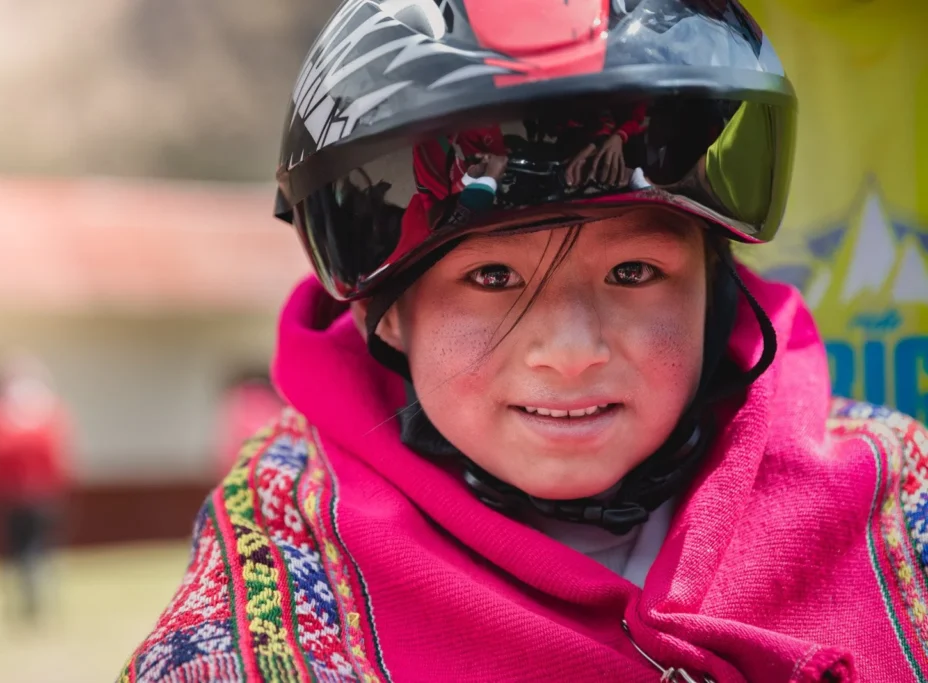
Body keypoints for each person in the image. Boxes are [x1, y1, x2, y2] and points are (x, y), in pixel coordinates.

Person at [119, 1, 928, 681]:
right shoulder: (286, 540)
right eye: (494, 278)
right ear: (385, 311)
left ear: (716, 287)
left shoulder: (892, 489)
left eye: (636, 271)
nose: (570, 350)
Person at [0, 353, 70, 624]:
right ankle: (36, 603)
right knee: (37, 550)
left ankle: (28, 605)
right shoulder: (48, 411)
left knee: (21, 552)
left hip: (16, 497)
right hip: (40, 496)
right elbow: (60, 457)